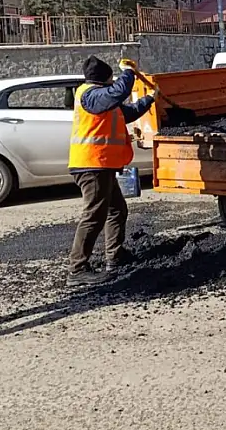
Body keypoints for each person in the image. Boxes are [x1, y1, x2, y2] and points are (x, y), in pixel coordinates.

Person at [67, 56, 157, 287]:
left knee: (117, 210)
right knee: (94, 215)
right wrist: (128, 72)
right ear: (105, 79)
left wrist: (149, 100)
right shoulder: (91, 95)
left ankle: (115, 256)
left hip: (102, 164)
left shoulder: (104, 100)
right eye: (111, 78)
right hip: (92, 165)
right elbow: (118, 92)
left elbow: (126, 113)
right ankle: (77, 269)